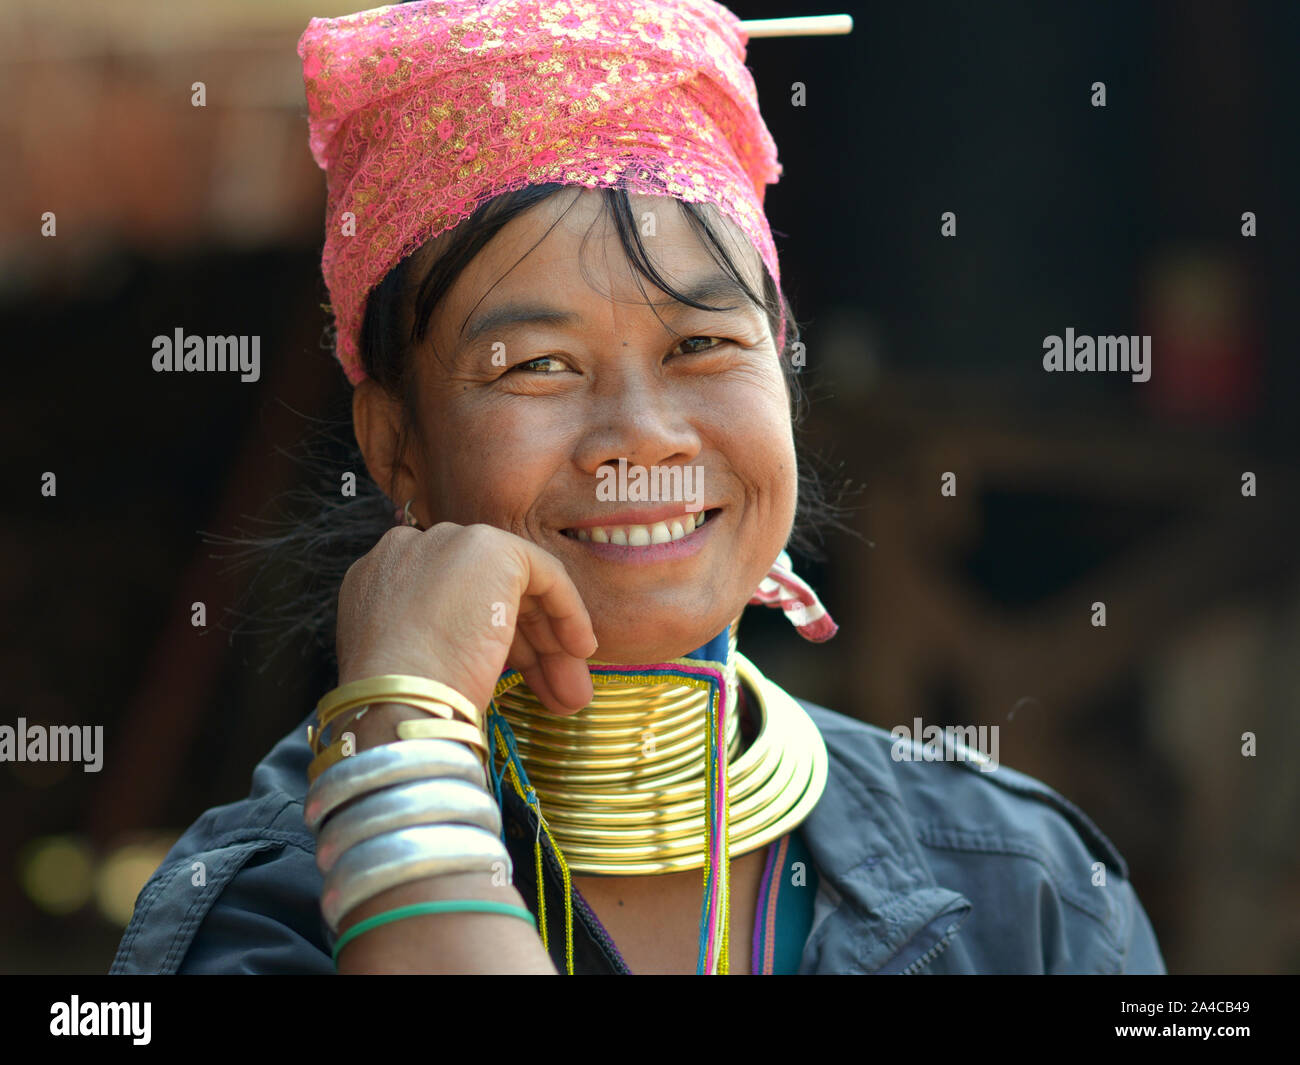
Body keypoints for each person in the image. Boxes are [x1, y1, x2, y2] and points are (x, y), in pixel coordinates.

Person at [110, 0, 1165, 975]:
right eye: (536, 364)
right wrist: (402, 760)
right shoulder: (253, 921)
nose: (640, 439)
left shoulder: (1025, 890)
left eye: (702, 344)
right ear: (398, 446)